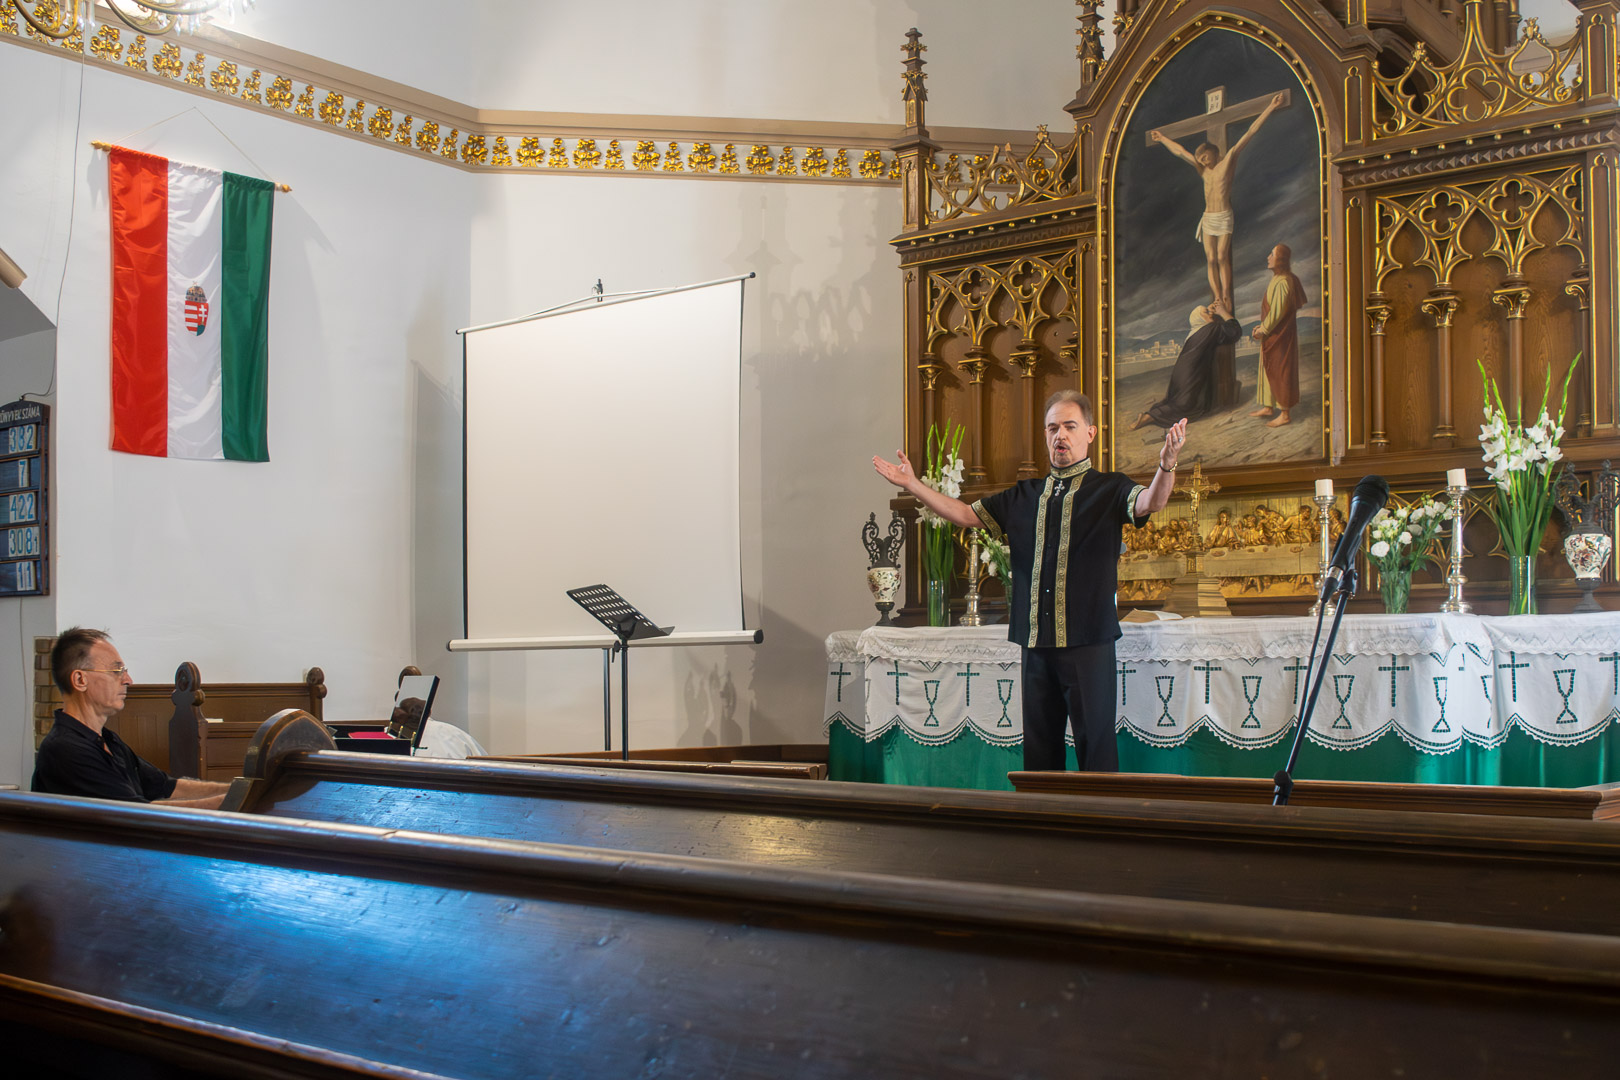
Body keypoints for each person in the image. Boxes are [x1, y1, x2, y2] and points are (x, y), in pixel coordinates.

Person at [873, 392, 1185, 771]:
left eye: (1069, 426)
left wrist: (1166, 464)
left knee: (1096, 750)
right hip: (1035, 644)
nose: (1060, 436)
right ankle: (1041, 811)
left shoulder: (1109, 488)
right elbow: (966, 515)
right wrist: (913, 484)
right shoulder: (1024, 495)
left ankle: (1102, 812)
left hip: (1088, 642)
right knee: (1039, 755)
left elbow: (1150, 502)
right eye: (1052, 428)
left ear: (1090, 433)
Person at [31, 627, 232, 809]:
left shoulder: (108, 740)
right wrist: (230, 803)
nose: (128, 680)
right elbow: (135, 814)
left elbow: (165, 786)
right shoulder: (65, 749)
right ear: (80, 679)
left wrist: (237, 791)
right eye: (117, 671)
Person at [1149, 92, 1285, 307]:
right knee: (1211, 259)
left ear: (1213, 153)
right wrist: (1163, 138)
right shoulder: (1203, 171)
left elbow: (1250, 133)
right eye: (1200, 159)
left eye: (1204, 157)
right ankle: (1217, 296)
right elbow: (1181, 152)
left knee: (1222, 257)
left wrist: (1270, 107)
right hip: (1208, 218)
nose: (1202, 161)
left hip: (1223, 216)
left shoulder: (1228, 161)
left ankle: (1227, 294)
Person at [1130, 297, 1242, 430]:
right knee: (1186, 406)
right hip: (1190, 376)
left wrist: (1210, 311)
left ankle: (1151, 415)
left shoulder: (1195, 333)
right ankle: (1149, 417)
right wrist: (1223, 312)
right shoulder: (1209, 329)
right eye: (1206, 312)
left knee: (1176, 401)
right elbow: (1234, 332)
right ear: (1198, 319)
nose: (1211, 314)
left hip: (1181, 377)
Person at [1250, 242, 1307, 428]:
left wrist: (1263, 329)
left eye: (1272, 254)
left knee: (1281, 370)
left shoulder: (1284, 282)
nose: (1268, 257)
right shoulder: (1277, 279)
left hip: (1281, 336)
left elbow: (1277, 312)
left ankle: (1284, 414)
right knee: (1268, 368)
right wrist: (1262, 327)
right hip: (1273, 335)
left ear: (1281, 259)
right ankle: (1268, 407)